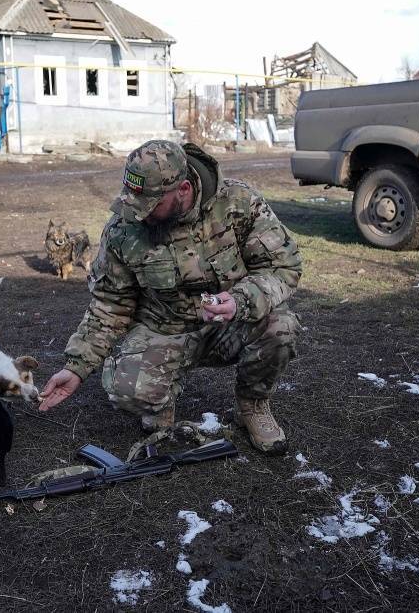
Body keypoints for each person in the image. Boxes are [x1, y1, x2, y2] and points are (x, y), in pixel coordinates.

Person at [39, 140, 302, 455]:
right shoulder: (124, 228)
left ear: (184, 189)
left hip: (230, 324)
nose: (141, 215)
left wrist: (240, 300)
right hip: (164, 330)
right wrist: (76, 366)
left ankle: (253, 405)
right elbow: (109, 305)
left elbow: (283, 267)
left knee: (280, 326)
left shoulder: (238, 203)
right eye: (134, 202)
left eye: (150, 205)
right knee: (124, 387)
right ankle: (158, 405)